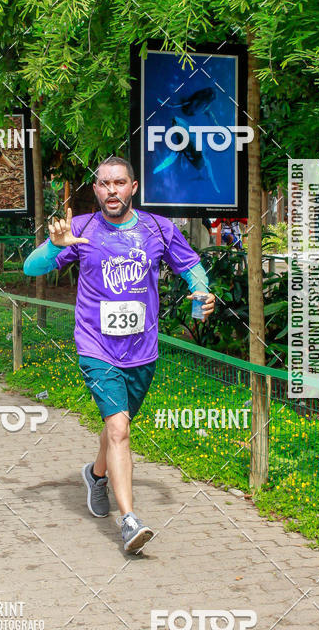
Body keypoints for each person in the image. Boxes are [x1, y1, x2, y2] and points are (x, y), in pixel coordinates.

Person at [24, 157, 215, 553]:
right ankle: (129, 521)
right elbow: (30, 268)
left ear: (133, 187)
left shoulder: (158, 228)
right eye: (104, 184)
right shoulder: (81, 229)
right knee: (120, 430)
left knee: (118, 427)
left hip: (142, 350)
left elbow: (191, 264)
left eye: (119, 182)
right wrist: (53, 247)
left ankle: (96, 475)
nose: (111, 190)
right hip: (96, 347)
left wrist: (202, 290)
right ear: (95, 191)